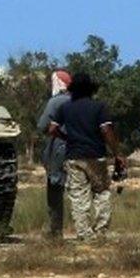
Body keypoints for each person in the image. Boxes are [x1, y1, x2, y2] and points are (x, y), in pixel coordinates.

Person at [48, 72, 126, 241]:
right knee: (101, 193)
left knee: (78, 196)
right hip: (96, 156)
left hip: (74, 157)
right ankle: (100, 231)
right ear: (91, 89)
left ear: (73, 89)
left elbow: (52, 129)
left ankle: (84, 235)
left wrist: (67, 138)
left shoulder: (65, 108)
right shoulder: (99, 107)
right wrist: (117, 153)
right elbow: (106, 131)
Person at [36, 70, 73, 238]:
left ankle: (55, 230)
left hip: (59, 148)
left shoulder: (56, 101)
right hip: (80, 148)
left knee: (55, 188)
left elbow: (42, 126)